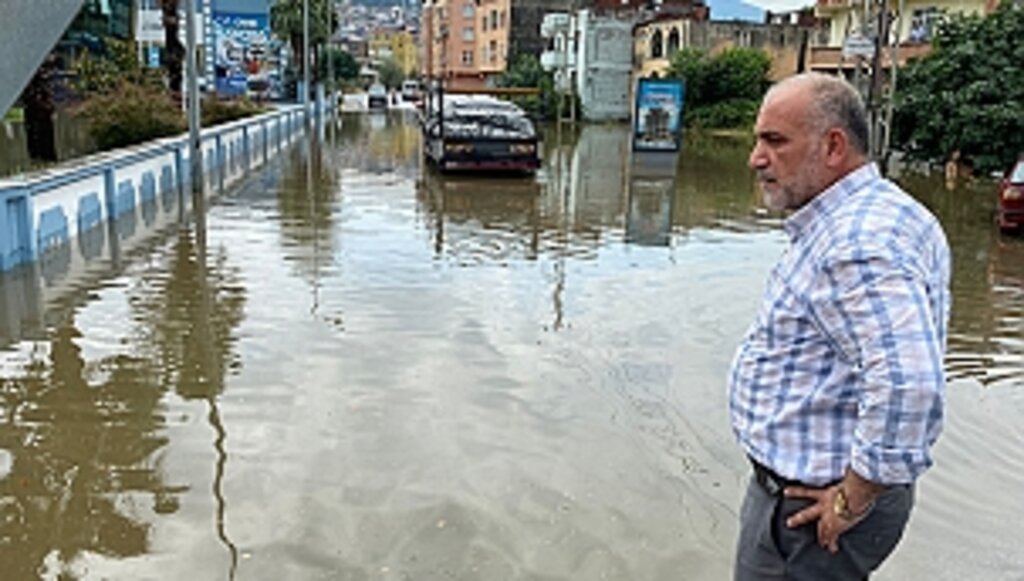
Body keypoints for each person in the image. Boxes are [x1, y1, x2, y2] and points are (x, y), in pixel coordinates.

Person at [729, 73, 951, 580]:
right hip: (805, 496)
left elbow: (909, 385)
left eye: (775, 141)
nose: (756, 158)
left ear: (833, 146)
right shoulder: (884, 212)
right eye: (757, 139)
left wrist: (851, 500)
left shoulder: (859, 242)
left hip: (811, 512)